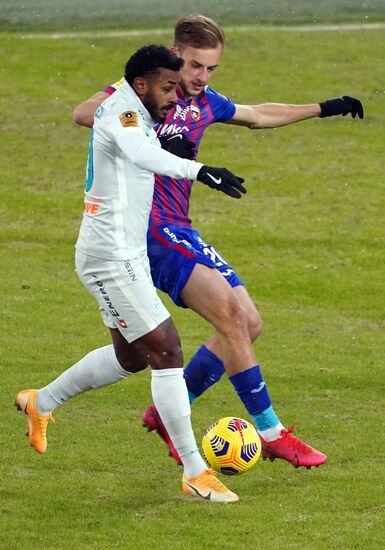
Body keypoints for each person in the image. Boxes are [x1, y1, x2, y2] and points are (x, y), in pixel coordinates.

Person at [64, 16, 364, 470]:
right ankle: (272, 432)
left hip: (180, 228)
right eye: (194, 66)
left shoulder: (205, 101)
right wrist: (157, 137)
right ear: (175, 55)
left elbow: (259, 114)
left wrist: (324, 106)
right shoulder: (139, 95)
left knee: (248, 322)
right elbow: (84, 113)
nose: (200, 77)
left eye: (211, 69)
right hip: (147, 230)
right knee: (229, 316)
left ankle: (171, 408)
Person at [15, 44, 250, 503]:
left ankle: (41, 401)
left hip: (125, 254)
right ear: (141, 84)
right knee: (167, 350)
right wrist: (200, 171)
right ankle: (194, 470)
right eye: (167, 87)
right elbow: (142, 154)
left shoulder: (135, 105)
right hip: (110, 257)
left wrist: (179, 145)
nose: (174, 96)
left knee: (132, 356)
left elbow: (147, 145)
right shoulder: (121, 111)